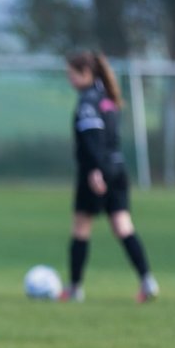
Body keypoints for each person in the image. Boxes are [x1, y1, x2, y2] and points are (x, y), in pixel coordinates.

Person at [61, 50, 159, 303]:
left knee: (81, 228)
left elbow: (93, 140)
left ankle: (74, 288)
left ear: (85, 73)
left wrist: (94, 171)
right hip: (118, 169)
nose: (69, 80)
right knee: (123, 227)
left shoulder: (87, 102)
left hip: (96, 171)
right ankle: (147, 280)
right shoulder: (107, 98)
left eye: (71, 74)